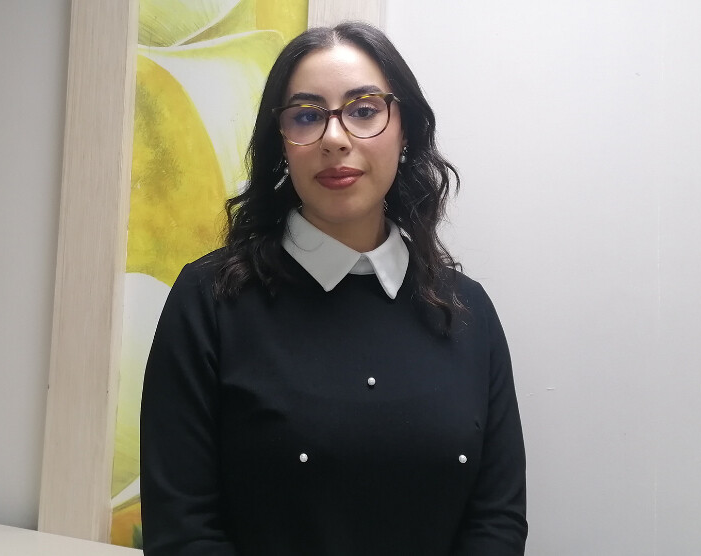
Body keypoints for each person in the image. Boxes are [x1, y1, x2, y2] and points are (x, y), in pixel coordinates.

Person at [140, 21, 527, 556]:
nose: (335, 138)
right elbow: (183, 532)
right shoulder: (208, 301)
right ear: (281, 144)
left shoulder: (469, 311)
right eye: (306, 116)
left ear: (406, 130)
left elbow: (497, 520)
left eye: (364, 110)